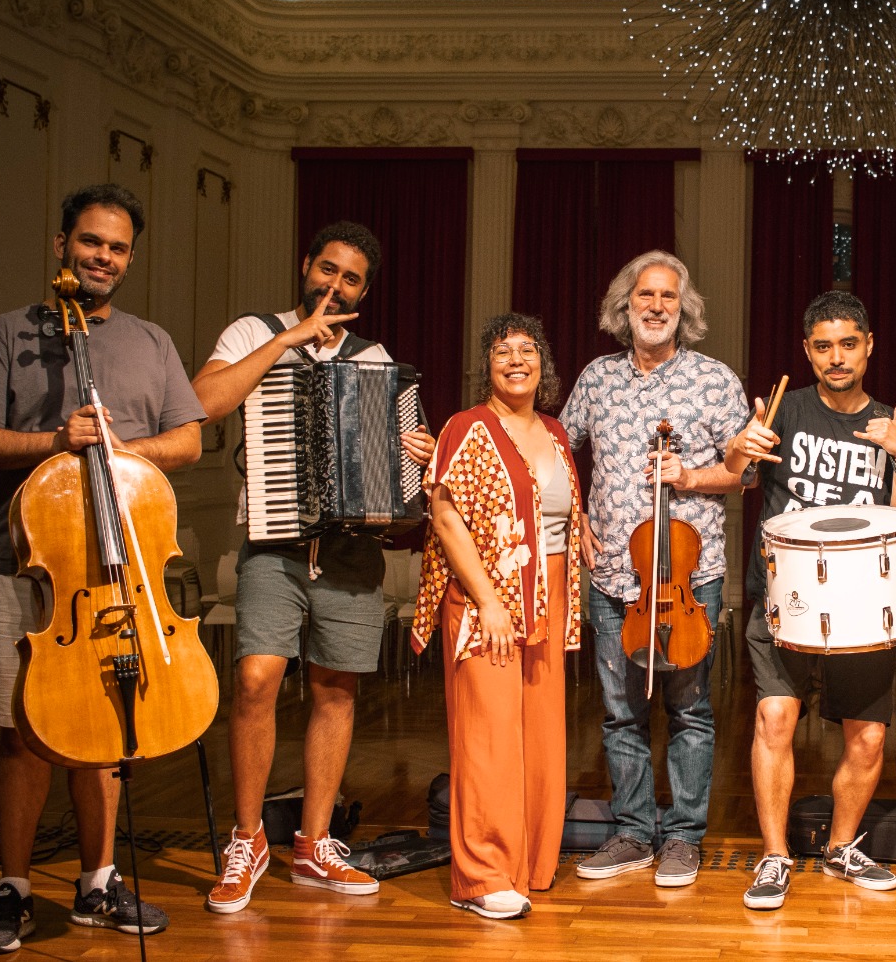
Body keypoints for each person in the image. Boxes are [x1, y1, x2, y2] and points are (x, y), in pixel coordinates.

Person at [0, 184, 202, 952]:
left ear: (130, 258)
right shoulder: (8, 334)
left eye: (118, 247)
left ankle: (97, 883)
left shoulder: (151, 342)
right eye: (91, 241)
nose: (103, 257)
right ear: (62, 245)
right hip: (27, 567)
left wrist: (122, 453)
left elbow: (187, 443)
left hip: (120, 572)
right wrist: (59, 443)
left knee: (108, 734)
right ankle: (15, 887)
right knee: (19, 735)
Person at [192, 220, 433, 914]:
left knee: (336, 692)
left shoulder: (374, 356)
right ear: (306, 267)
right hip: (275, 542)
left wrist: (411, 459)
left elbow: (393, 483)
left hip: (353, 550)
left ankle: (316, 844)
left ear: (364, 290)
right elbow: (204, 403)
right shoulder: (252, 332)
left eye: (350, 278)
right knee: (256, 677)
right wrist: (284, 344)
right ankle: (247, 840)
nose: (335, 284)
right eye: (327, 270)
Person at [723, 291, 896, 911]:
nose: (836, 358)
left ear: (869, 347)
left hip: (865, 604)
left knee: (866, 738)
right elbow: (735, 473)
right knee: (775, 719)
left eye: (848, 344)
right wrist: (742, 445)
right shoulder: (785, 411)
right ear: (806, 353)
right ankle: (775, 856)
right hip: (786, 597)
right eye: (822, 346)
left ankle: (841, 848)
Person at [560, 250, 748, 888]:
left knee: (690, 711)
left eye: (669, 297)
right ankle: (634, 832)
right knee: (620, 713)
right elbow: (559, 448)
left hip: (689, 580)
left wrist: (691, 474)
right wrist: (572, 517)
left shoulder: (715, 380)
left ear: (684, 309)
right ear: (626, 305)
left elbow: (743, 474)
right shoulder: (596, 379)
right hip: (613, 574)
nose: (657, 306)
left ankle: (684, 839)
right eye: (646, 295)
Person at [408, 313, 582, 919]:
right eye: (502, 350)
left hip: (549, 593)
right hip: (490, 596)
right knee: (488, 734)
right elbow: (447, 518)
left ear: (543, 364)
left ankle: (530, 863)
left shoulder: (557, 433)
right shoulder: (467, 428)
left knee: (539, 733)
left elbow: (558, 519)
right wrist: (487, 600)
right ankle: (482, 876)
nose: (515, 359)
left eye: (527, 349)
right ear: (487, 364)